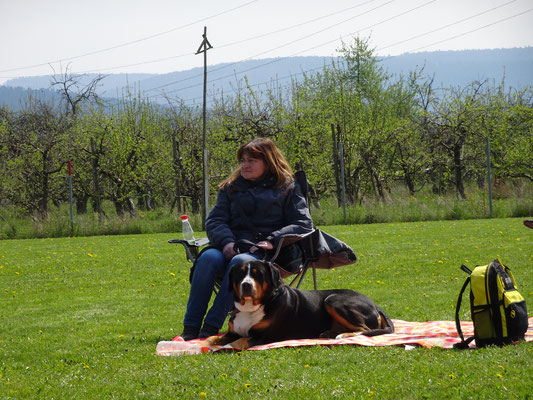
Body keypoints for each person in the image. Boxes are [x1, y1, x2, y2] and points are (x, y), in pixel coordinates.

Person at [180, 137, 314, 340]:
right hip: (232, 245)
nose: (245, 165)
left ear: (268, 161)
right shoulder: (230, 188)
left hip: (269, 253)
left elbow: (303, 223)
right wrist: (227, 242)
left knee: (239, 263)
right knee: (207, 259)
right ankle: (190, 329)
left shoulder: (287, 187)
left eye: (252, 160)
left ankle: (210, 328)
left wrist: (273, 239)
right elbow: (215, 220)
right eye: (242, 160)